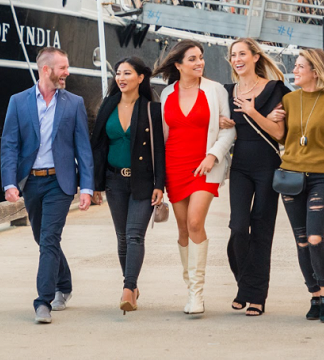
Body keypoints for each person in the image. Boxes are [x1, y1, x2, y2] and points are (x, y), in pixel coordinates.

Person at [0, 47, 94, 324]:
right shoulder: (18, 102)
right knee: (43, 238)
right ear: (46, 70)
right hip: (31, 182)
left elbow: (83, 148)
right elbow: (9, 145)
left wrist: (87, 187)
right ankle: (64, 284)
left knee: (49, 239)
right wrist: (9, 182)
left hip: (60, 182)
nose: (68, 72)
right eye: (63, 68)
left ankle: (43, 301)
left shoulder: (73, 102)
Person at [269, 48, 324, 323]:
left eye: (299, 67)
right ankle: (314, 295)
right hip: (291, 176)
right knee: (301, 240)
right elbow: (284, 139)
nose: (294, 71)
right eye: (295, 66)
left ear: (315, 71)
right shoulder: (289, 100)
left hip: (322, 177)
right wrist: (275, 121)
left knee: (315, 237)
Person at [153, 39, 235, 315]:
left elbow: (229, 129)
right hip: (174, 166)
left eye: (200, 57)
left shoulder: (215, 90)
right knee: (183, 229)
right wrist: (158, 179)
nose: (199, 62)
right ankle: (190, 289)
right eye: (192, 59)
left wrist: (213, 155)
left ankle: (197, 294)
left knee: (195, 221)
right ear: (178, 65)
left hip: (205, 166)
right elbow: (162, 136)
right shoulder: (166, 94)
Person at [218, 38, 290, 316]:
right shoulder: (226, 92)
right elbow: (213, 122)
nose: (237, 59)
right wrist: (222, 122)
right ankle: (245, 285)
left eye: (242, 54)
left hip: (267, 165)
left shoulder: (274, 89)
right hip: (240, 166)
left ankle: (256, 296)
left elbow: (279, 134)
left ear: (255, 57)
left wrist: (251, 112)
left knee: (262, 231)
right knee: (238, 228)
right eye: (233, 55)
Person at [91, 57, 165, 314]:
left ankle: (127, 288)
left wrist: (160, 183)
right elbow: (98, 147)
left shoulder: (151, 109)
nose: (121, 78)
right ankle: (132, 289)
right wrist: (95, 185)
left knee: (135, 235)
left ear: (140, 78)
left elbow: (160, 149)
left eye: (127, 73)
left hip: (143, 181)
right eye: (118, 73)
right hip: (114, 180)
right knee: (122, 238)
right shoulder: (107, 106)